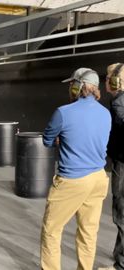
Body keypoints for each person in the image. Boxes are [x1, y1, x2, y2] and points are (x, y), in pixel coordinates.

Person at [40, 68, 111, 270]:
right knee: (88, 232)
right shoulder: (105, 113)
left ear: (78, 86)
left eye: (72, 84)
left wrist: (60, 140)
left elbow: (47, 140)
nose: (70, 88)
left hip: (72, 180)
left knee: (52, 231)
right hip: (98, 178)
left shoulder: (63, 112)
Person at [98, 63, 124, 270]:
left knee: (121, 211)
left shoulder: (119, 105)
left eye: (108, 79)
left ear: (116, 82)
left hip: (123, 164)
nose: (105, 82)